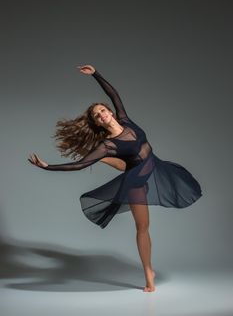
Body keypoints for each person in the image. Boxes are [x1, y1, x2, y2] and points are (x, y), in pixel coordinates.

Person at [28, 64, 202, 292]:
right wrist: (47, 166)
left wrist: (96, 74)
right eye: (96, 115)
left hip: (155, 166)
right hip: (136, 180)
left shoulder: (125, 119)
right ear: (98, 122)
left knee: (183, 184)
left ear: (110, 112)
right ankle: (148, 271)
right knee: (143, 227)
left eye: (102, 110)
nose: (101, 114)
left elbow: (113, 94)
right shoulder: (107, 144)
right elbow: (80, 165)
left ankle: (118, 164)